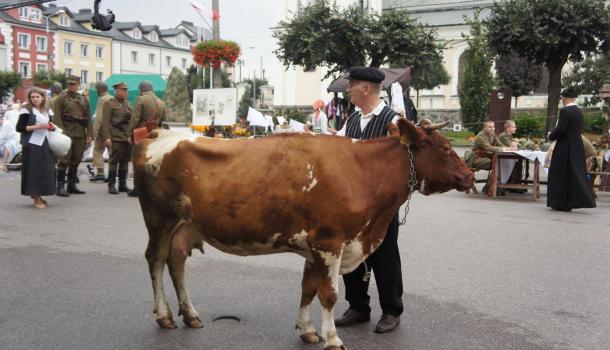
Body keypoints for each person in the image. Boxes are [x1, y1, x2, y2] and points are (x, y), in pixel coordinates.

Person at [333, 66, 403, 334]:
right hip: (353, 202)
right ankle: (359, 307)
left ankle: (391, 310)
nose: (347, 89)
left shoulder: (393, 121)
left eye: (351, 85)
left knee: (385, 256)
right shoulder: (352, 120)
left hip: (382, 203)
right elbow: (337, 148)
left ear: (365, 88)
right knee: (352, 254)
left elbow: (402, 163)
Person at [547, 87, 596, 211]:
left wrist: (551, 136)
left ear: (565, 98)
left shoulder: (565, 111)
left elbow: (561, 129)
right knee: (574, 174)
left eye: (562, 98)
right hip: (576, 146)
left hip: (564, 147)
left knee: (560, 173)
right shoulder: (578, 111)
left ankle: (560, 202)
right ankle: (572, 201)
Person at [15, 87, 57, 208]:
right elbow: (20, 128)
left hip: (45, 142)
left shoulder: (47, 110)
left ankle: (38, 195)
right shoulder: (26, 110)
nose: (35, 99)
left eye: (37, 97)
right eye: (32, 97)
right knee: (34, 171)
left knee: (46, 169)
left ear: (43, 97)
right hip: (32, 144)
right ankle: (36, 198)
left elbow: (51, 125)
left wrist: (51, 127)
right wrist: (39, 126)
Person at [53, 75, 93, 196]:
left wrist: (89, 134)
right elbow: (57, 117)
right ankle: (60, 187)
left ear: (78, 85)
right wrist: (61, 132)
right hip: (67, 133)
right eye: (70, 84)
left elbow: (88, 118)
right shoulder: (61, 98)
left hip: (80, 133)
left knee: (76, 159)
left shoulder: (83, 99)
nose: (72, 86)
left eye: (74, 84)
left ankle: (71, 185)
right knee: (64, 160)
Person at [127, 80, 166, 197]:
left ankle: (137, 187)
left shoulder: (141, 99)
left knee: (138, 160)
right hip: (155, 133)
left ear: (141, 90)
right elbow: (164, 119)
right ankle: (151, 187)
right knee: (152, 160)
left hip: (142, 133)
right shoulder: (161, 102)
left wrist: (129, 133)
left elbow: (135, 119)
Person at [100, 82, 132, 194]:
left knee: (125, 161)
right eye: (123, 90)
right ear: (117, 91)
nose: (125, 92)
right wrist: (107, 137)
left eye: (126, 90)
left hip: (126, 137)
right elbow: (105, 122)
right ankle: (111, 185)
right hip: (116, 136)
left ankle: (122, 184)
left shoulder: (128, 104)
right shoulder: (110, 104)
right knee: (113, 161)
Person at [89, 81, 113, 182]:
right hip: (112, 129)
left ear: (99, 90)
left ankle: (100, 173)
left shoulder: (102, 99)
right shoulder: (112, 98)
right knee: (112, 151)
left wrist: (93, 133)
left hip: (103, 130)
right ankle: (112, 173)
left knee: (98, 150)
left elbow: (99, 118)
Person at [498, 120, 524, 191]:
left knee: (519, 161)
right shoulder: (503, 136)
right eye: (513, 127)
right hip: (501, 158)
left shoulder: (509, 136)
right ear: (508, 128)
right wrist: (517, 143)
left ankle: (514, 183)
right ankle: (513, 184)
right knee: (518, 162)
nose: (515, 128)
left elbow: (516, 145)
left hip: (506, 157)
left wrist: (517, 143)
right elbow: (513, 145)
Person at [0, 104, 22, 172]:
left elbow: (1, 137)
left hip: (15, 141)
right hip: (5, 141)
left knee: (8, 145)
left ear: (1, 118)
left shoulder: (7, 124)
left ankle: (3, 165)